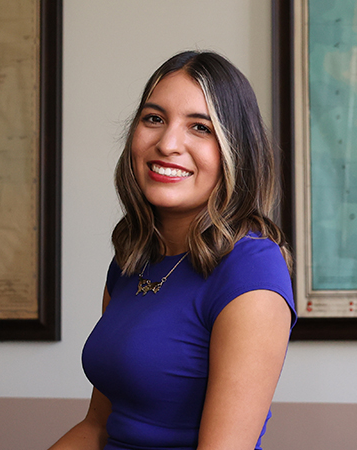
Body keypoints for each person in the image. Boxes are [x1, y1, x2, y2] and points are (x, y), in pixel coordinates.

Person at [49, 51, 296, 450]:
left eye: (200, 127)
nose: (168, 143)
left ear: (237, 151)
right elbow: (97, 426)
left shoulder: (252, 272)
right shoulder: (133, 259)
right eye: (154, 119)